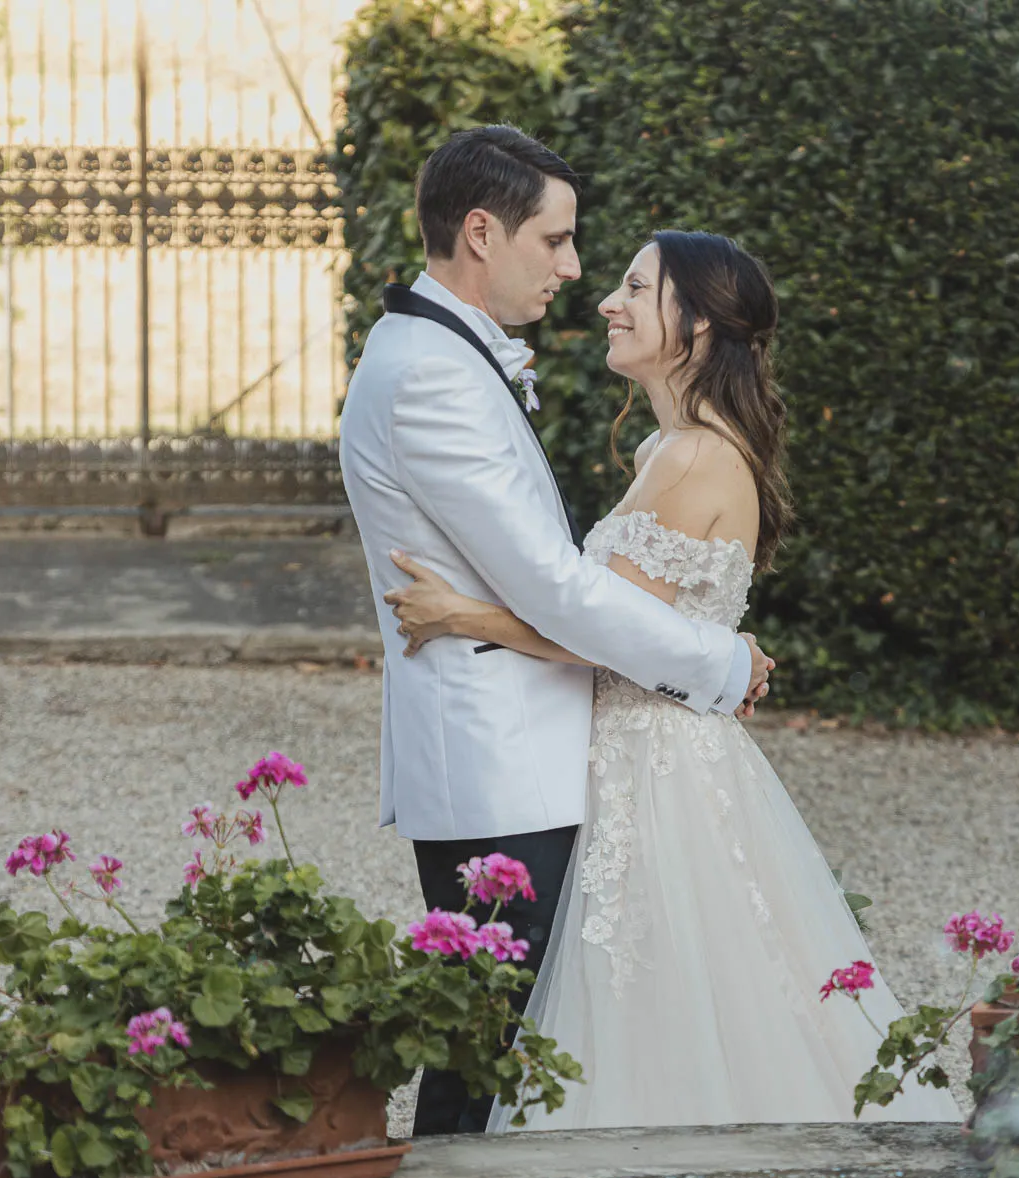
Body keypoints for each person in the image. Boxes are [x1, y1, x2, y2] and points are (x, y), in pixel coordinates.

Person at [385, 230, 960, 1128]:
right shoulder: (672, 447)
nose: (606, 302)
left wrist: (460, 615)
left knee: (654, 993)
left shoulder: (692, 457)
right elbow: (630, 617)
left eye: (635, 288)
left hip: (655, 765)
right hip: (643, 743)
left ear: (695, 325)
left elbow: (602, 634)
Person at [338, 126, 774, 1137]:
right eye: (556, 239)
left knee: (506, 1052)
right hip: (501, 765)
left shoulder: (439, 355)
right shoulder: (434, 372)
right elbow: (558, 590)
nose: (576, 270)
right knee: (486, 1057)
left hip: (533, 755)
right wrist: (722, 661)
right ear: (481, 233)